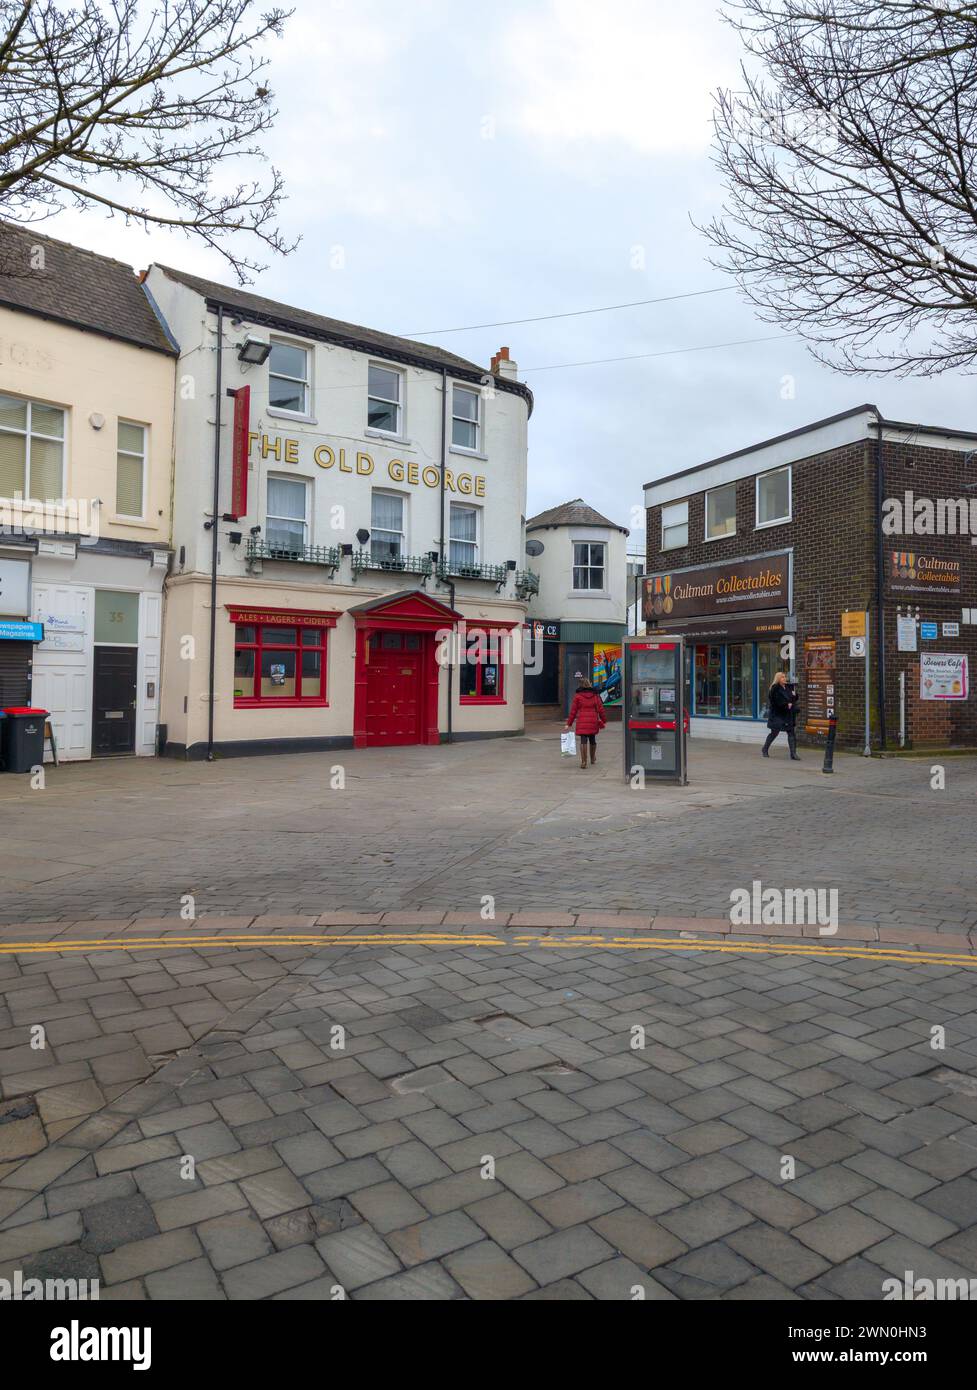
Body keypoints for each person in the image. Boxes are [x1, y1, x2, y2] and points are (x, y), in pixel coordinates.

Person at [565, 675, 606, 768]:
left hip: (582, 721)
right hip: (593, 721)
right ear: (589, 684)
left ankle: (584, 762)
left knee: (583, 741)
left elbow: (573, 711)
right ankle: (592, 758)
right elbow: (600, 709)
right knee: (592, 739)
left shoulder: (578, 696)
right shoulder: (595, 695)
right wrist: (604, 720)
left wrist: (569, 723)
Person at [762, 670, 801, 759]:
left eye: (785, 677)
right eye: (782, 677)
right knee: (774, 732)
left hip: (788, 714)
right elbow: (775, 701)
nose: (785, 678)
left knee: (791, 732)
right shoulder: (774, 688)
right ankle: (765, 749)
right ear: (778, 679)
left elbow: (794, 698)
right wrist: (786, 704)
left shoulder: (789, 687)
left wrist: (794, 696)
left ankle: (793, 754)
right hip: (778, 715)